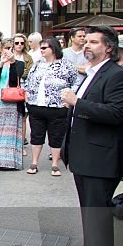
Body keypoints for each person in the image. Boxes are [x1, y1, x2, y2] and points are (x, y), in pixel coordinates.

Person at [60, 26, 123, 246]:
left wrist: (77, 103)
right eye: (87, 41)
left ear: (109, 48)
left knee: (98, 214)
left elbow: (116, 114)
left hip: (100, 158)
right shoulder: (92, 73)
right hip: (85, 156)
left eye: (94, 42)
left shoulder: (118, 76)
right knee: (89, 213)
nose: (87, 45)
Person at [23, 37, 77, 177]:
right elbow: (29, 80)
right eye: (41, 48)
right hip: (36, 105)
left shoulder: (66, 65)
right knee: (36, 135)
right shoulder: (37, 64)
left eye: (44, 48)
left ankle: (55, 164)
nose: (41, 50)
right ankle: (34, 162)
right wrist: (27, 95)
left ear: (53, 49)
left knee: (56, 135)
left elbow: (75, 82)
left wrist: (69, 98)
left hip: (57, 106)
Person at [0, 39, 26, 170]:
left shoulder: (19, 63)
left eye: (11, 48)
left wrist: (12, 62)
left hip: (13, 103)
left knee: (11, 133)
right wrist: (1, 64)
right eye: (6, 47)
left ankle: (12, 162)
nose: (8, 50)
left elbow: (15, 79)